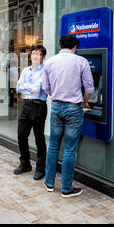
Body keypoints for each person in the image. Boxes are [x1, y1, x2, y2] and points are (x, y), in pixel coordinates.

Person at [43, 35, 94, 198]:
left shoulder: (50, 62)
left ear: (60, 45)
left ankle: (49, 183)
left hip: (56, 107)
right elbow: (90, 88)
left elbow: (46, 88)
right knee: (70, 148)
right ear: (75, 47)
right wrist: (85, 102)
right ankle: (66, 188)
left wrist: (57, 95)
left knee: (53, 145)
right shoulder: (81, 61)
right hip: (74, 108)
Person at [13, 45, 48, 181]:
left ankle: (40, 168)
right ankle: (25, 163)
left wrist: (27, 88)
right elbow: (18, 87)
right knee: (21, 135)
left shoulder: (45, 71)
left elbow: (38, 90)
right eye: (33, 54)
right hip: (26, 105)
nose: (34, 56)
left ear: (43, 57)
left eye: (38, 54)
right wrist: (29, 88)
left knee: (39, 138)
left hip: (38, 106)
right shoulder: (26, 71)